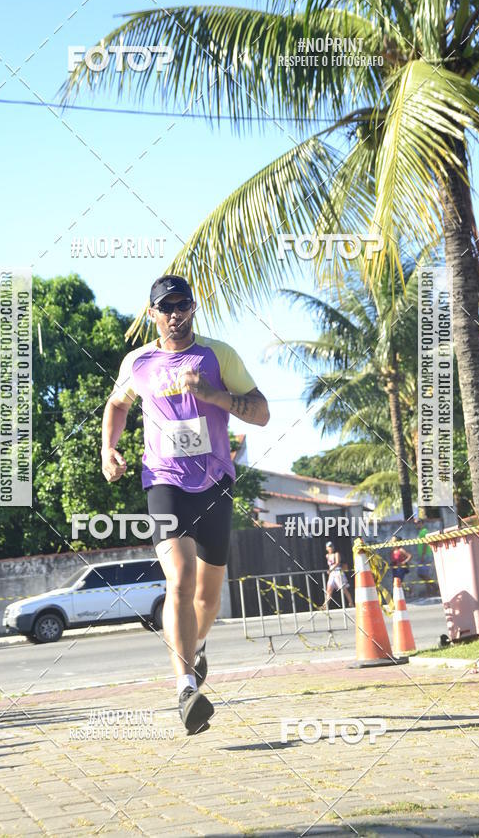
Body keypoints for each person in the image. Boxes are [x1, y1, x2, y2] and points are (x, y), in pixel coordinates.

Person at [100, 275, 270, 735]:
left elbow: (262, 412)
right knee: (180, 577)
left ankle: (196, 647)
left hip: (215, 483)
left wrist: (213, 395)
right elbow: (118, 404)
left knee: (208, 598)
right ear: (151, 313)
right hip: (164, 481)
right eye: (166, 307)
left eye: (183, 305)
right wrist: (108, 449)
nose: (175, 314)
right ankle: (185, 689)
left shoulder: (218, 356)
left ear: (193, 308)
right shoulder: (138, 362)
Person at [320, 541, 353, 611]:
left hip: (338, 572)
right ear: (326, 548)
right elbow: (330, 565)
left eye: (331, 546)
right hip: (332, 574)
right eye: (329, 547)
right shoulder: (327, 556)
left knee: (343, 589)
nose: (331, 548)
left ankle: (351, 603)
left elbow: (337, 563)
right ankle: (325, 605)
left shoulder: (336, 554)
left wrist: (331, 570)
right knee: (329, 590)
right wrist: (330, 572)